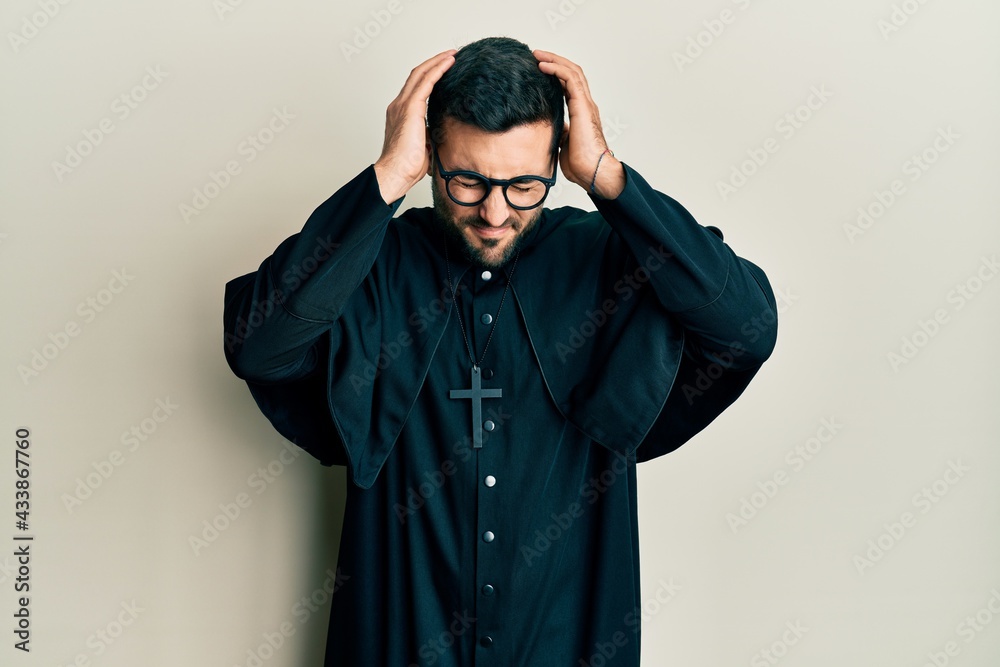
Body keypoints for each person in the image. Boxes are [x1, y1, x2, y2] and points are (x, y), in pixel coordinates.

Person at [223, 36, 777, 667]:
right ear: (430, 156)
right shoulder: (373, 265)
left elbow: (747, 328)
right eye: (467, 181)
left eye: (523, 186)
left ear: (555, 165)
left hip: (568, 640)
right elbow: (259, 346)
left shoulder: (609, 265)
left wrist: (608, 178)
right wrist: (385, 179)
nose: (494, 212)